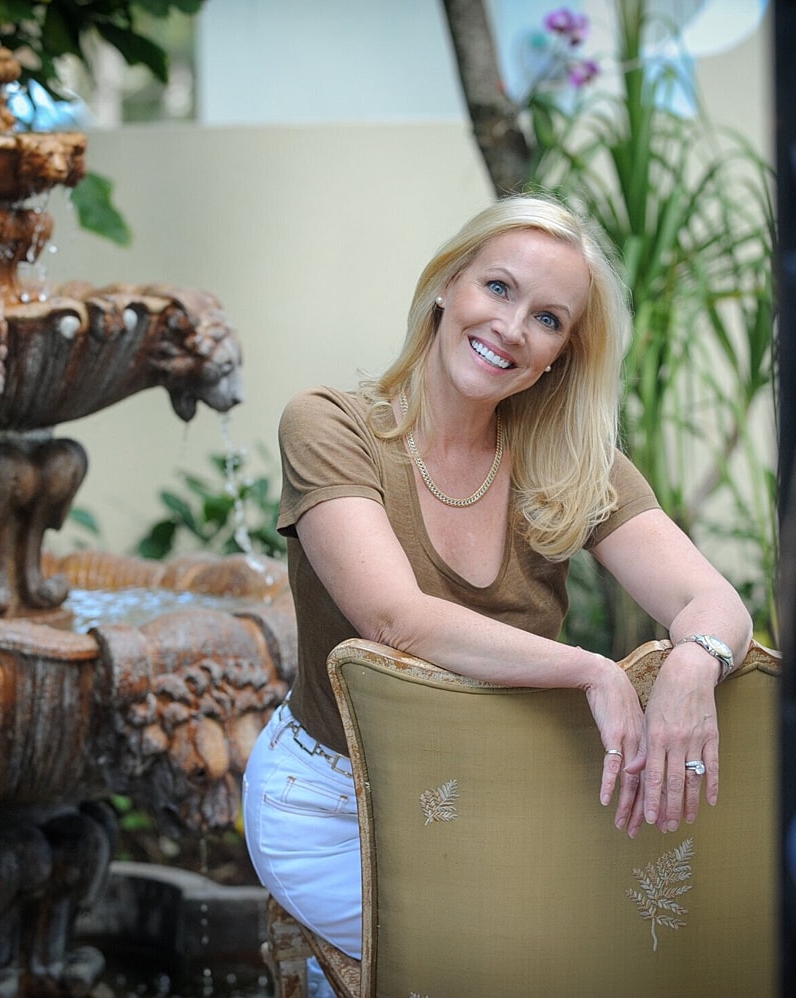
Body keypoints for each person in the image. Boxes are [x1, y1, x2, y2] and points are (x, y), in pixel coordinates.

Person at [242, 193, 753, 969]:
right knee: (516, 967)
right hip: (338, 807)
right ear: (449, 284)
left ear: (562, 353)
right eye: (500, 288)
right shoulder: (331, 426)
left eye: (549, 319)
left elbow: (710, 601)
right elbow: (393, 619)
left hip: (508, 796)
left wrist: (694, 659)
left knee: (657, 946)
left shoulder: (569, 461)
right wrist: (593, 671)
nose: (512, 329)